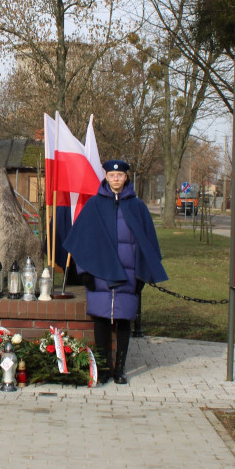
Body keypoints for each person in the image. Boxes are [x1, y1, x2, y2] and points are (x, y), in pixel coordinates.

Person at [64, 159, 167, 385]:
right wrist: (84, 273)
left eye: (119, 175)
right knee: (100, 320)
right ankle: (103, 368)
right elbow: (82, 241)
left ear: (126, 177)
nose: (116, 179)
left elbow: (147, 243)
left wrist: (142, 275)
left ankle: (120, 369)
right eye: (112, 175)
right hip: (100, 273)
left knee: (123, 321)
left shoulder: (137, 207)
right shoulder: (94, 205)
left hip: (128, 275)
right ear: (106, 177)